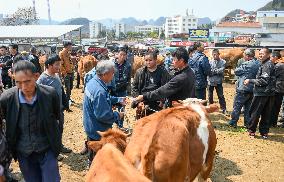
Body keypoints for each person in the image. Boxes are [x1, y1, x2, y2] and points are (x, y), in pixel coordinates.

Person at [0, 61, 61, 181]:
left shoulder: (50, 94)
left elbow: (56, 116)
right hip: (23, 152)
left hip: (47, 148)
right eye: (18, 82)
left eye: (27, 81)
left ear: (36, 76)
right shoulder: (7, 98)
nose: (23, 87)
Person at [83, 59, 124, 164]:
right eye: (112, 73)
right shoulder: (99, 90)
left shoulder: (93, 82)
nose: (113, 76)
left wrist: (118, 100)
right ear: (105, 74)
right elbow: (103, 115)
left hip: (91, 125)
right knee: (98, 158)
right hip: (98, 129)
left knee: (92, 153)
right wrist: (117, 115)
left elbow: (104, 99)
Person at [37, 55, 72, 155]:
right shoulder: (42, 79)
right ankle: (52, 152)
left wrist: (65, 104)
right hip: (49, 112)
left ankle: (59, 146)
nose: (59, 67)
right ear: (49, 65)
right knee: (51, 132)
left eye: (59, 64)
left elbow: (61, 89)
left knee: (59, 129)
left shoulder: (56, 75)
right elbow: (39, 96)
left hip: (59, 110)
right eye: (57, 65)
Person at [244, 47, 275, 139]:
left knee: (255, 112)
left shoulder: (267, 65)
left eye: (263, 53)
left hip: (262, 93)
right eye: (260, 53)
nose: (260, 55)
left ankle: (252, 131)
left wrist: (250, 80)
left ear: (268, 55)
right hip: (269, 93)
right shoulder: (265, 63)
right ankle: (264, 133)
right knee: (266, 113)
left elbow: (263, 81)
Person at [228, 49, 260, 127]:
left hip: (243, 88)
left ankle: (233, 122)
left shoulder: (246, 64)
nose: (243, 57)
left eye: (244, 55)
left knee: (237, 106)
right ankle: (247, 123)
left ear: (247, 56)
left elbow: (236, 72)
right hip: (253, 89)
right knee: (248, 108)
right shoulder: (258, 63)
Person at [132, 51, 170, 116]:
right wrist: (138, 101)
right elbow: (134, 87)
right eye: (146, 60)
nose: (148, 62)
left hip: (157, 102)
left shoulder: (163, 72)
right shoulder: (140, 72)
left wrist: (162, 101)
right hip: (143, 101)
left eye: (150, 60)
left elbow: (166, 88)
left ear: (155, 60)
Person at [208, 49, 227, 114]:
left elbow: (221, 70)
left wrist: (213, 71)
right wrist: (216, 71)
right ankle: (211, 107)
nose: (215, 56)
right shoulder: (210, 62)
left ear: (219, 54)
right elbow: (209, 71)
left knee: (221, 95)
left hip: (219, 81)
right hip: (210, 81)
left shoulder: (223, 62)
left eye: (216, 54)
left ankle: (223, 108)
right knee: (210, 96)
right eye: (213, 54)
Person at [270, 51, 284, 127]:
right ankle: (274, 123)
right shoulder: (281, 65)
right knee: (277, 106)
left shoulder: (278, 66)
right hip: (281, 88)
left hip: (277, 88)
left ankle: (271, 122)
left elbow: (273, 76)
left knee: (272, 106)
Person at [59, 41, 74, 106]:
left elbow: (70, 62)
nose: (71, 47)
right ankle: (67, 100)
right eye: (70, 45)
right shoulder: (61, 53)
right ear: (67, 46)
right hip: (66, 73)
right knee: (67, 87)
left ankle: (69, 98)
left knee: (70, 87)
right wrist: (65, 73)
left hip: (71, 72)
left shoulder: (68, 53)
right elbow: (61, 65)